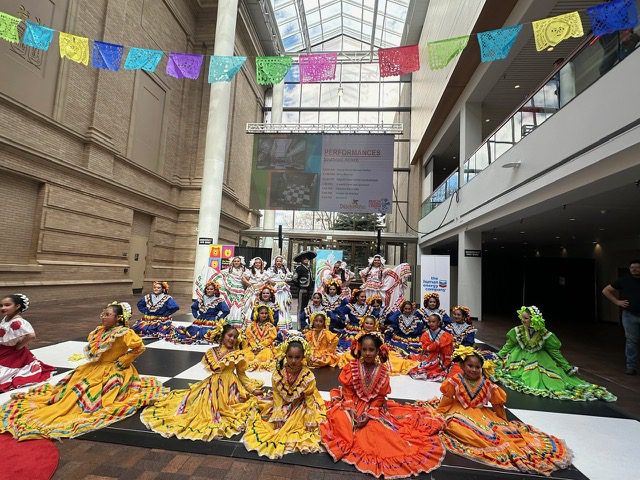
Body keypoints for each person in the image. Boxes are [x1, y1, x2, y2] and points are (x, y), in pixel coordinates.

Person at [1, 302, 167, 440]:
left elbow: (139, 347)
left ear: (118, 318)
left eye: (108, 314)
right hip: (95, 367)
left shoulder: (125, 333)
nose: (103, 317)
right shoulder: (100, 331)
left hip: (114, 369)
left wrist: (123, 361)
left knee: (93, 392)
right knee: (70, 386)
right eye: (103, 313)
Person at [320, 332, 446, 478]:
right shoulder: (351, 367)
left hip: (372, 407)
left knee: (375, 431)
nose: (367, 353)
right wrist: (351, 409)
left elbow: (379, 398)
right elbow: (348, 391)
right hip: (351, 402)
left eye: (371, 350)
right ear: (360, 349)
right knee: (341, 419)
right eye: (364, 349)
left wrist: (368, 415)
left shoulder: (382, 372)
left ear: (378, 351)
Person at [437, 346, 573, 476]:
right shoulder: (455, 380)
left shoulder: (487, 384)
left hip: (482, 414)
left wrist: (502, 420)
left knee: (498, 433)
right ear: (462, 366)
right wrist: (440, 412)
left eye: (477, 367)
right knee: (457, 427)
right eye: (470, 366)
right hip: (459, 410)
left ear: (482, 368)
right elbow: (447, 398)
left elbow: (497, 404)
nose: (473, 369)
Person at [141, 323, 263, 441]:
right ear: (222, 335)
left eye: (235, 337)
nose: (232, 339)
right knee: (201, 406)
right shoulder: (212, 351)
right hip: (212, 385)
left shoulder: (237, 354)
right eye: (229, 335)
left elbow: (242, 374)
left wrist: (252, 390)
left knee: (227, 408)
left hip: (230, 388)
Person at [495, 306, 616, 401]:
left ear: (534, 319)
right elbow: (509, 345)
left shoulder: (545, 334)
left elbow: (555, 353)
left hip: (539, 359)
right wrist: (499, 355)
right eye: (522, 318)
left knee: (543, 379)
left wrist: (567, 367)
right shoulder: (518, 331)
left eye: (526, 318)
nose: (523, 320)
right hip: (519, 358)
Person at [243, 335, 325, 459]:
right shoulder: (278, 373)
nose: (293, 361)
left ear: (303, 357)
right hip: (282, 401)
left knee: (300, 425)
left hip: (301, 402)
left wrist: (310, 418)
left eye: (297, 357)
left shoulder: (308, 376)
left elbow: (309, 399)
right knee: (271, 421)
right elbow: (277, 395)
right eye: (290, 357)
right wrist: (278, 414)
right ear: (285, 356)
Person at [0, 294, 55, 393]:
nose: (3, 308)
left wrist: (19, 345)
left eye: (7, 305)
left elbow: (31, 335)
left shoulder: (17, 322)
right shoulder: (7, 318)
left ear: (17, 306)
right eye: (1, 305)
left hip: (10, 353)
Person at [602, 259, 640, 375]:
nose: (634, 269)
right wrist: (617, 302)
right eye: (632, 267)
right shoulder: (624, 280)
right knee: (631, 341)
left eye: (637, 267)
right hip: (630, 315)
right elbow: (606, 290)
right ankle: (631, 366)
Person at [408, 313, 454, 381]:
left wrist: (445, 363)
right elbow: (425, 348)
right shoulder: (425, 334)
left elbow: (447, 351)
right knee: (421, 366)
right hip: (428, 355)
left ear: (439, 323)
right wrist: (436, 345)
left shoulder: (446, 335)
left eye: (433, 322)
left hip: (441, 356)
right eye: (429, 322)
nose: (431, 323)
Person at [245, 305, 279, 370]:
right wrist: (254, 347)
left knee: (266, 353)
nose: (264, 315)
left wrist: (260, 346)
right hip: (253, 347)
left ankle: (256, 363)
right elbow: (250, 338)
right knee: (248, 355)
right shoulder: (252, 325)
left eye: (266, 313)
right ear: (257, 314)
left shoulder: (271, 326)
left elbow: (270, 339)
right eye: (262, 313)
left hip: (266, 347)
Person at [217, 256, 247, 326]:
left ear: (241, 262)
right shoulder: (229, 270)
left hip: (240, 289)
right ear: (232, 262)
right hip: (230, 289)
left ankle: (237, 321)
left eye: (238, 261)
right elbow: (221, 274)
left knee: (238, 305)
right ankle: (227, 321)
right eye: (235, 261)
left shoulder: (244, 270)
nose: (236, 262)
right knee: (230, 304)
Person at [267, 255, 293, 330]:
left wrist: (284, 282)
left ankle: (284, 323)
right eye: (277, 261)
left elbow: (288, 278)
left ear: (282, 262)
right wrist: (274, 284)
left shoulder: (285, 269)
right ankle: (275, 321)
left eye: (280, 261)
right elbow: (267, 278)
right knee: (276, 304)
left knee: (284, 305)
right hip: (275, 290)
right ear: (275, 262)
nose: (279, 262)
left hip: (284, 290)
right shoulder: (271, 269)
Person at [242, 257, 271, 323]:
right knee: (248, 305)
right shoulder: (250, 271)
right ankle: (249, 320)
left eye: (259, 263)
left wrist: (262, 286)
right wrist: (249, 284)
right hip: (252, 290)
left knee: (259, 305)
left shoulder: (265, 272)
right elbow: (243, 278)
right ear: (254, 264)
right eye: (256, 263)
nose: (257, 264)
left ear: (261, 264)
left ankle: (260, 320)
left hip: (261, 291)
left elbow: (267, 281)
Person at [293, 253, 314, 323]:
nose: (306, 260)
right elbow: (294, 279)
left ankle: (303, 322)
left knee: (305, 307)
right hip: (302, 290)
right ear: (301, 260)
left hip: (308, 290)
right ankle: (299, 324)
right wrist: (299, 286)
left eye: (307, 258)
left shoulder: (309, 268)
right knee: (300, 307)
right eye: (304, 258)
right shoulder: (299, 268)